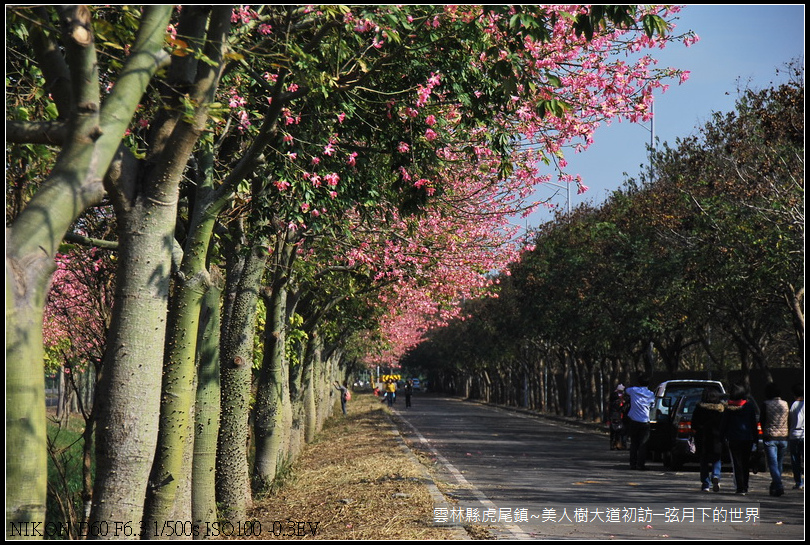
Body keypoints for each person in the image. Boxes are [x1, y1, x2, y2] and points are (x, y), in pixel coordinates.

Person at [721, 383, 759, 495]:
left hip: (734, 439)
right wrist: (755, 439)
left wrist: (721, 438)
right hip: (747, 439)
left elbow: (724, 424)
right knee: (745, 463)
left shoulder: (729, 408)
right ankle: (745, 486)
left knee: (737, 464)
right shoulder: (749, 406)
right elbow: (753, 424)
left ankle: (740, 487)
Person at [691, 388, 725, 492]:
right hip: (717, 438)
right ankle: (716, 475)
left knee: (704, 461)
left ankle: (706, 484)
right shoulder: (721, 409)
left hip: (703, 438)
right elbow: (724, 424)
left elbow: (694, 424)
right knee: (717, 459)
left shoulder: (699, 408)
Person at [762, 382, 789, 497]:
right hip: (783, 437)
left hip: (770, 436)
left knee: (772, 464)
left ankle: (778, 484)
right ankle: (774, 487)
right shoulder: (785, 404)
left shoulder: (765, 404)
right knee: (779, 463)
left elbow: (762, 420)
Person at [625, 374, 655, 470]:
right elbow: (653, 406)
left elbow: (625, 390)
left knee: (634, 443)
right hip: (645, 421)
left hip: (634, 421)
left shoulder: (633, 390)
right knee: (643, 444)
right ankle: (640, 464)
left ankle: (632, 464)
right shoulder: (651, 394)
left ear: (638, 382)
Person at [788, 383, 804, 490]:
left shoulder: (793, 405)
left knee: (795, 460)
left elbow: (790, 421)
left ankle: (799, 482)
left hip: (794, 435)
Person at [608, 384, 629, 450]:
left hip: (616, 417)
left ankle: (615, 444)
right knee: (619, 432)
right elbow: (622, 409)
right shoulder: (618, 401)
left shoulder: (613, 401)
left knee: (615, 432)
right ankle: (618, 445)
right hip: (618, 417)